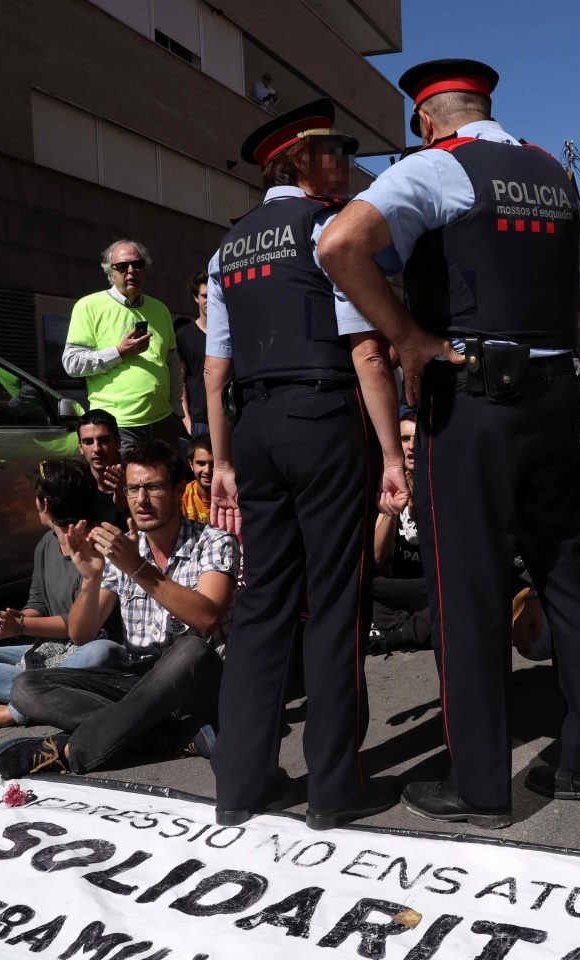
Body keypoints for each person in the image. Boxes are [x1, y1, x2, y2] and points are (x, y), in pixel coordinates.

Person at [318, 58, 580, 827]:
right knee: (567, 573)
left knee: (468, 588)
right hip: (555, 398)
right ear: (486, 105)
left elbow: (338, 245)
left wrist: (409, 338)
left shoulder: (439, 167)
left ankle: (481, 786)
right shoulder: (552, 176)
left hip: (473, 399)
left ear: (427, 119)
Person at [201, 98, 407, 831]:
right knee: (335, 604)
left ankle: (242, 784)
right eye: (335, 151)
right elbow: (366, 351)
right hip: (321, 417)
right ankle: (334, 787)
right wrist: (390, 451)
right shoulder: (326, 230)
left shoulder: (227, 249)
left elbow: (215, 368)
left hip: (253, 428)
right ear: (298, 163)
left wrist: (222, 458)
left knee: (260, 605)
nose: (348, 163)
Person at [0, 441, 238, 777]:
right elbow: (81, 634)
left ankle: (71, 750)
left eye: (152, 487)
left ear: (179, 489)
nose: (141, 500)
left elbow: (207, 619)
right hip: (141, 679)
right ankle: (173, 736)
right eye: (133, 488)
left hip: (200, 680)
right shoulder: (123, 549)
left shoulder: (214, 541)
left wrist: (138, 568)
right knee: (27, 687)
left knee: (190, 649)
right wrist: (91, 580)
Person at [0, 459, 124, 729]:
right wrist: (11, 623)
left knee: (102, 652)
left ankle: (10, 712)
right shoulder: (46, 544)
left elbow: (83, 630)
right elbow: (38, 605)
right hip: (49, 653)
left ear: (44, 503)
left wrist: (21, 626)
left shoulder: (103, 546)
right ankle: (42, 697)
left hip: (88, 653)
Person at [62, 240, 181, 452]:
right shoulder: (89, 306)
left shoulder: (160, 309)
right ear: (110, 273)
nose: (131, 271)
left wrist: (177, 411)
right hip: (119, 426)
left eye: (137, 265)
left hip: (162, 421)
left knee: (164, 484)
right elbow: (72, 363)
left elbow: (172, 363)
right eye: (122, 266)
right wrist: (119, 352)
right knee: (125, 485)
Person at [370, 411, 431, 654]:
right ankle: (415, 628)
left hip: (430, 584)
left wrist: (420, 508)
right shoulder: (385, 483)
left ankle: (400, 634)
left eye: (417, 438)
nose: (412, 446)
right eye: (405, 439)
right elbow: (377, 556)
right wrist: (390, 512)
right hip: (397, 586)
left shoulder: (441, 482)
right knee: (362, 586)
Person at [176, 272, 211, 440]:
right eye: (204, 295)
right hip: (200, 420)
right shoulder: (185, 335)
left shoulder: (229, 333)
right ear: (196, 298)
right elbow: (179, 380)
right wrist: (187, 420)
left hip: (230, 417)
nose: (209, 300)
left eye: (213, 295)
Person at [75, 409, 126, 524]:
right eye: (88, 442)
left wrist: (127, 494)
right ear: (80, 447)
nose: (96, 449)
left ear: (118, 442)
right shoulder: (76, 482)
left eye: (104, 440)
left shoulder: (137, 479)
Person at [181, 434, 214, 523]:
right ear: (191, 464)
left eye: (213, 464)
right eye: (201, 463)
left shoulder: (232, 496)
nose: (207, 470)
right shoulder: (182, 495)